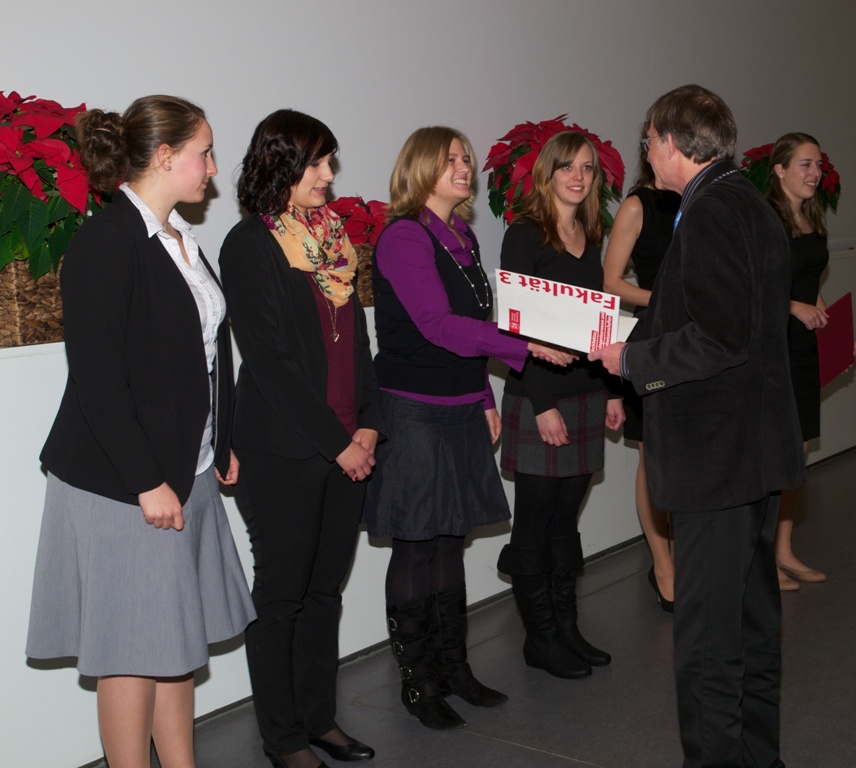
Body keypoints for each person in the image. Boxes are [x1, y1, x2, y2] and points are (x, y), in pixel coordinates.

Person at [25, 95, 255, 768]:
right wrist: (146, 481)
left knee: (173, 643)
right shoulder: (107, 240)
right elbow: (98, 379)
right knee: (130, 650)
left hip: (188, 468)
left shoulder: (181, 239)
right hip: (125, 482)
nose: (211, 168)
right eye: (204, 153)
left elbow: (209, 352)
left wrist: (223, 438)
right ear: (164, 156)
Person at [590, 85, 804, 768]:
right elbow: (729, 322)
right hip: (753, 451)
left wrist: (632, 359)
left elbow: (718, 336)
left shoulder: (710, 212)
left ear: (672, 141)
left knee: (709, 640)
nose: (644, 153)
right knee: (751, 622)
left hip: (717, 458)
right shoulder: (749, 203)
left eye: (647, 140)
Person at [364, 126, 572, 731]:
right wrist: (523, 347)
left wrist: (484, 395)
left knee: (451, 539)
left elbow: (471, 325)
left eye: (466, 159)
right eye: (451, 159)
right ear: (420, 167)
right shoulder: (405, 235)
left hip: (459, 405)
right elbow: (436, 324)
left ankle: (454, 668)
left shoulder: (462, 235)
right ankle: (419, 680)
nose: (465, 167)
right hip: (412, 408)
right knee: (416, 544)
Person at [219, 110, 379, 768]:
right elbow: (271, 363)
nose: (329, 175)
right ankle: (283, 738)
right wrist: (339, 443)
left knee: (324, 594)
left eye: (330, 161)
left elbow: (359, 344)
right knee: (282, 598)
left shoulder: (332, 237)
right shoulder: (249, 244)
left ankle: (319, 719)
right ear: (280, 164)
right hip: (284, 451)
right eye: (317, 162)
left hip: (347, 444)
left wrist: (368, 423)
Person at [497, 130, 626, 680]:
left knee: (565, 523)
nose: (578, 176)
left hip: (587, 395)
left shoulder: (589, 235)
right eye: (568, 166)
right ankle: (541, 638)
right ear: (547, 173)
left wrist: (613, 390)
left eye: (588, 168)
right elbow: (515, 326)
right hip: (539, 398)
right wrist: (543, 404)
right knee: (535, 522)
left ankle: (566, 627)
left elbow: (598, 322)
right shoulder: (523, 235)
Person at [603, 132, 681, 613]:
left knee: (688, 451)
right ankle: (663, 565)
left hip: (696, 339)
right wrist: (666, 300)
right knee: (651, 453)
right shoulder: (637, 205)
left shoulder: (699, 200)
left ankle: (687, 555)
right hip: (652, 338)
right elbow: (610, 281)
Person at [766, 132, 843, 592]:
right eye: (805, 165)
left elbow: (809, 284)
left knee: (797, 451)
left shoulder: (811, 216)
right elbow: (751, 290)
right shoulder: (766, 219)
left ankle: (783, 550)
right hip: (772, 344)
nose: (815, 173)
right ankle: (761, 559)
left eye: (818, 165)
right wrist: (793, 306)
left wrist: (835, 334)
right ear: (779, 170)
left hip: (803, 346)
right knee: (774, 452)